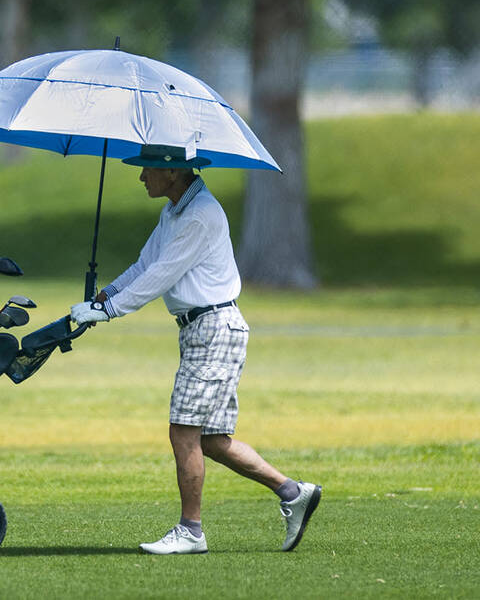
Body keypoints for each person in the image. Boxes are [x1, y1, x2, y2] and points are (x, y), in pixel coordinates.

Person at [70, 144, 320, 555]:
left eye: (146, 169)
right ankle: (293, 492)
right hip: (202, 330)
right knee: (212, 440)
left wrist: (110, 311)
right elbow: (145, 264)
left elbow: (162, 276)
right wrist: (105, 295)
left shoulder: (201, 215)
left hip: (212, 329)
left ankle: (191, 531)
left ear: (171, 173)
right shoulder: (174, 211)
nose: (140, 177)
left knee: (183, 431)